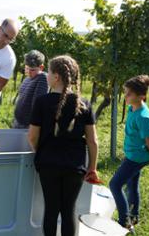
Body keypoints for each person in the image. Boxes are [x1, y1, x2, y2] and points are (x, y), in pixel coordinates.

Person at [27, 55, 100, 236]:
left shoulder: (42, 102)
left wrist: (40, 151)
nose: (47, 76)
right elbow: (93, 141)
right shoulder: (84, 104)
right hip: (74, 166)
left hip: (48, 164)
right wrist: (92, 167)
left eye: (49, 73)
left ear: (57, 76)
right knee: (69, 211)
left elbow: (32, 136)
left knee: (51, 210)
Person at [109, 75, 149, 231]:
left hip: (137, 158)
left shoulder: (144, 117)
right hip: (132, 154)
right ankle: (134, 216)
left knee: (115, 185)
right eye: (125, 92)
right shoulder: (132, 108)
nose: (125, 96)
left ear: (141, 96)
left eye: (129, 94)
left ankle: (124, 221)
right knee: (132, 184)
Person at [13, 50, 48, 128]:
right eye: (26, 68)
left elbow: (37, 104)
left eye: (32, 70)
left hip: (28, 124)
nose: (28, 72)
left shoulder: (42, 78)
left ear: (41, 67)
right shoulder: (27, 79)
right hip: (18, 121)